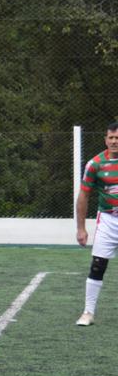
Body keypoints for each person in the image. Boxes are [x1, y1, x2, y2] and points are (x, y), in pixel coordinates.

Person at [74, 121, 118, 326]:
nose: (114, 141)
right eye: (111, 137)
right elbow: (83, 196)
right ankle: (88, 313)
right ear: (105, 139)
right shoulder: (95, 164)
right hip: (108, 221)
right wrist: (81, 228)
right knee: (98, 265)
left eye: (117, 138)